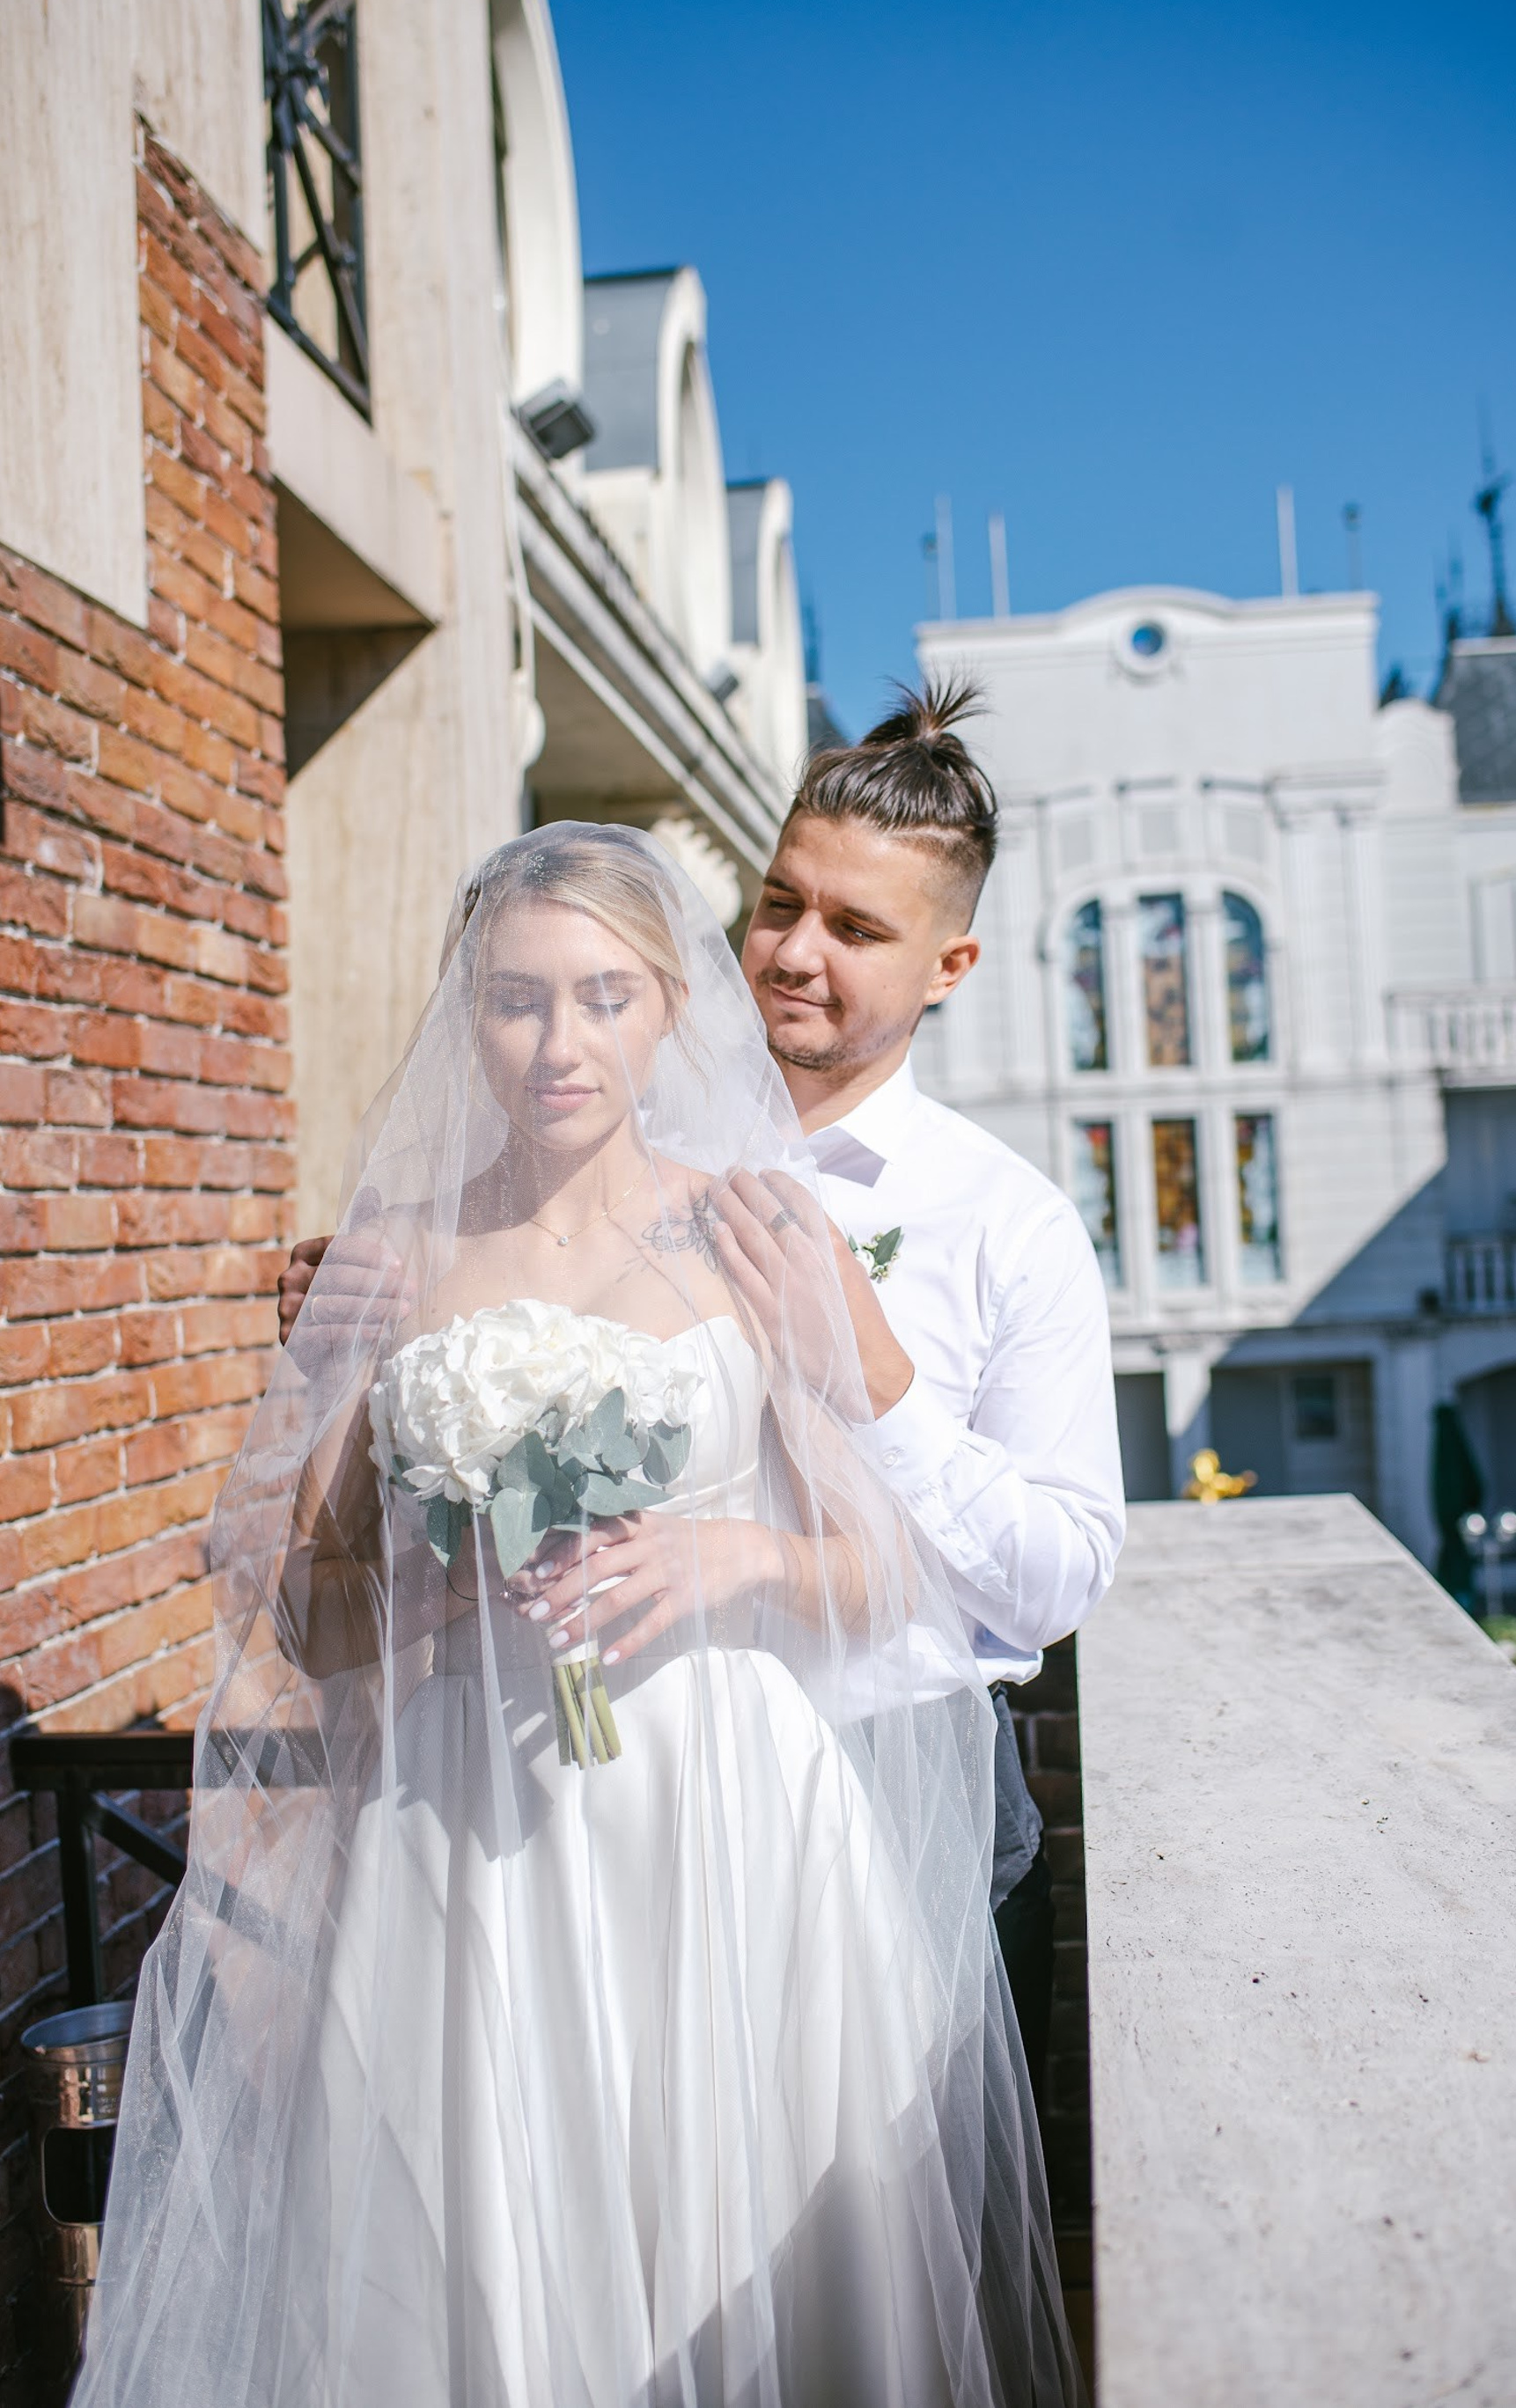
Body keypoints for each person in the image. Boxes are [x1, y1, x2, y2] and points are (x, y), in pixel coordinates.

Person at [77, 825, 1078, 2407]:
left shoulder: (750, 1235)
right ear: (466, 1019)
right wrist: (441, 1562)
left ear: (669, 1008)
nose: (558, 1045)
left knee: (746, 2259)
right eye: (515, 1002)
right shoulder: (397, 1258)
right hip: (461, 1838)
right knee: (477, 2288)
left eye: (603, 997)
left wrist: (731, 1567)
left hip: (725, 1827)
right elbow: (309, 1625)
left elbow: (892, 1564)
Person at [278, 681, 1124, 2099]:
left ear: (951, 965)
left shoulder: (1005, 1221)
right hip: (577, 1787)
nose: (795, 953)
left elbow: (1057, 1578)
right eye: (782, 904)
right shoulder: (591, 1124)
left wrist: (877, 1377)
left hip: (889, 1780)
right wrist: (383, 1326)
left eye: (857, 931)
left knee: (888, 2245)